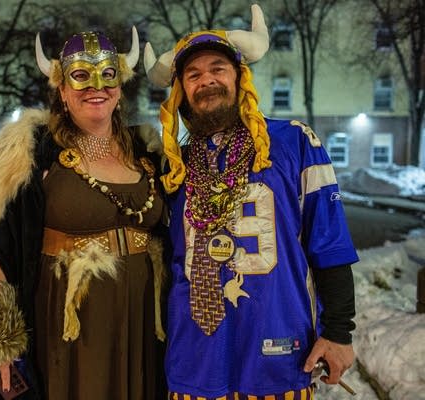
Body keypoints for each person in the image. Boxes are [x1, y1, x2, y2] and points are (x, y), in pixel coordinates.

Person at [144, 4, 359, 399]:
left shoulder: (294, 142)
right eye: (193, 75)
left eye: (217, 69)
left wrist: (339, 330)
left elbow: (329, 242)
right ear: (181, 92)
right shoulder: (175, 165)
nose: (206, 80)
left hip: (276, 346)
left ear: (240, 78)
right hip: (194, 355)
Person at [0, 27, 168, 400]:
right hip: (70, 321)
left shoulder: (145, 149)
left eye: (108, 75)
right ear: (62, 90)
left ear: (120, 85)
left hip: (143, 315)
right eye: (80, 76)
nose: (95, 86)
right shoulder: (31, 150)